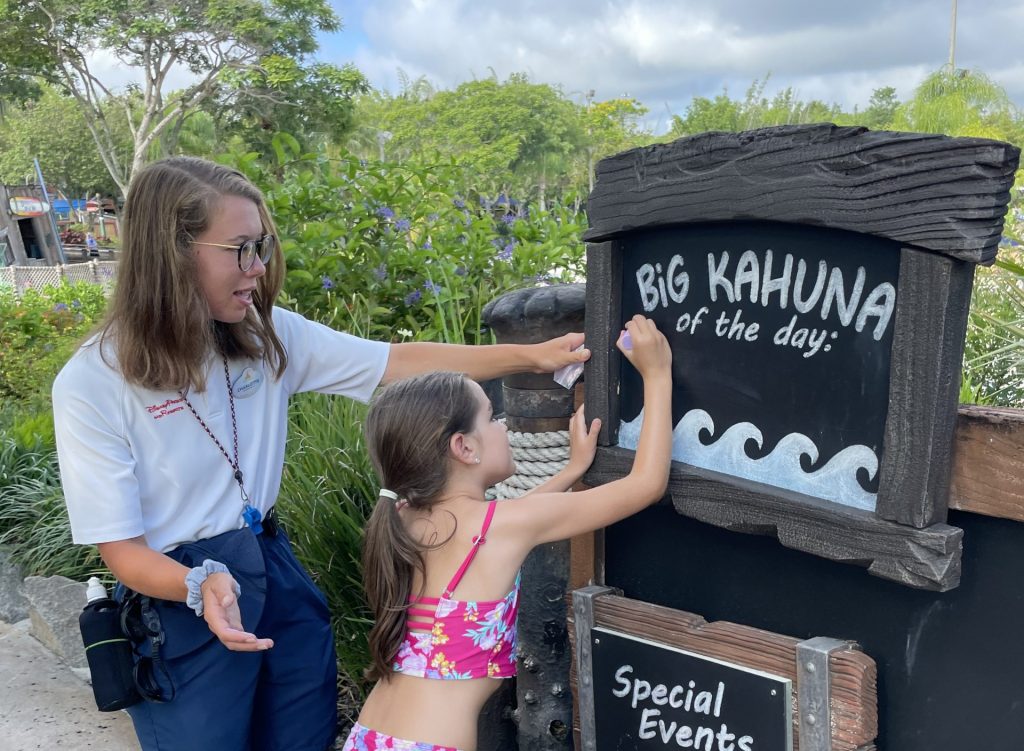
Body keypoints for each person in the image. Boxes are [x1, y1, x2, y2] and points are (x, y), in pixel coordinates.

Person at [51, 156, 590, 751]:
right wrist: (197, 583)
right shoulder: (93, 384)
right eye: (239, 249)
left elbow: (394, 362)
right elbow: (122, 551)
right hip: (179, 596)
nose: (257, 269)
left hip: (272, 569)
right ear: (170, 253)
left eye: (261, 246)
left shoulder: (264, 335)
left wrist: (533, 357)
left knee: (302, 734)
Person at [347, 314, 672, 751]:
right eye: (490, 417)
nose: (502, 425)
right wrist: (657, 374)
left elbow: (512, 517)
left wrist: (573, 469)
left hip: (373, 734)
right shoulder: (501, 527)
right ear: (464, 447)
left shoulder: (404, 516)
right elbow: (645, 485)